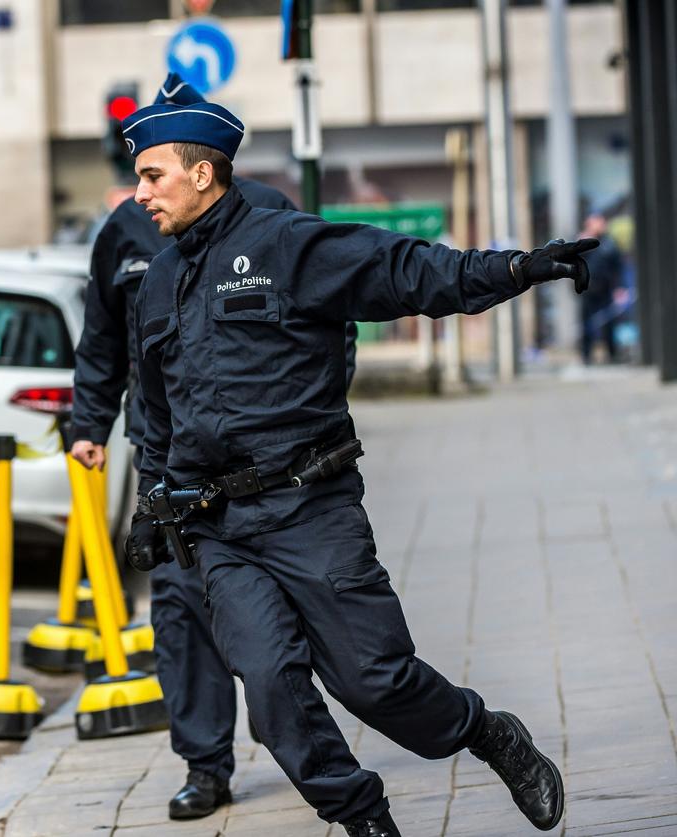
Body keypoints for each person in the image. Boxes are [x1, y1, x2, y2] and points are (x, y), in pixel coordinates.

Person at [120, 95, 595, 837]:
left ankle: (485, 729)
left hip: (311, 508)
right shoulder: (155, 283)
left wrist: (515, 268)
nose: (139, 193)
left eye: (151, 176)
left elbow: (406, 271)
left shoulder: (286, 245)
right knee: (270, 682)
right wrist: (153, 500)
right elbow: (153, 408)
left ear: (204, 172)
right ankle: (365, 819)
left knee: (375, 682)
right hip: (219, 528)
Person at [70, 73, 360, 823]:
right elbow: (103, 342)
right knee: (180, 606)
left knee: (285, 613)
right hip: (168, 457)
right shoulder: (127, 232)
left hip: (272, 470)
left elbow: (333, 318)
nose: (143, 179)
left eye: (155, 156)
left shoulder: (269, 216)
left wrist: (315, 403)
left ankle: (309, 725)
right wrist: (87, 428)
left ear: (203, 157)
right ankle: (205, 763)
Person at [577, 212, 625, 364]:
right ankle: (586, 355)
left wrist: (619, 288)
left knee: (608, 324)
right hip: (587, 289)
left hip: (606, 289)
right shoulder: (582, 241)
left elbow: (618, 267)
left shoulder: (609, 244)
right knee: (587, 323)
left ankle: (612, 354)